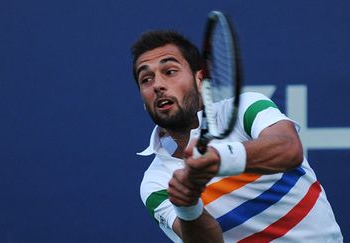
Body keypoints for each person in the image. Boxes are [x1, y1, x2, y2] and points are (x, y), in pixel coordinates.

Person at [131, 30, 343, 242]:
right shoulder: (156, 183)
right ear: (143, 99)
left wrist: (220, 159)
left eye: (169, 71)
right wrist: (187, 204)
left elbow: (289, 149)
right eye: (146, 79)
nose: (157, 85)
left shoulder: (244, 109)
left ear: (200, 80)